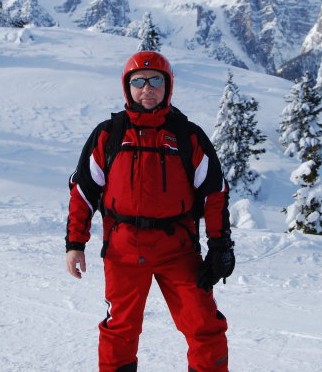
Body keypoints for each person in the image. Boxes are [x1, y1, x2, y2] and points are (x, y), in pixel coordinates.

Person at [65, 51, 235, 372]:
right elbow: (84, 191)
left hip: (178, 249)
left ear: (168, 86)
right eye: (138, 81)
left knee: (204, 325)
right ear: (127, 87)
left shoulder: (187, 135)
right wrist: (75, 244)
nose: (147, 88)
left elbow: (215, 193)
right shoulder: (110, 134)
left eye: (156, 80)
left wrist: (220, 246)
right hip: (124, 250)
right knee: (120, 329)